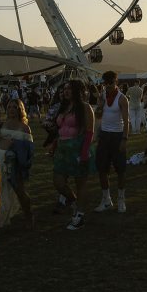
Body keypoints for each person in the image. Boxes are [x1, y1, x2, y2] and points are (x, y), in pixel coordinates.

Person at [54, 79, 96, 230]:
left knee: (80, 183)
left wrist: (84, 153)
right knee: (58, 182)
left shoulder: (85, 107)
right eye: (65, 88)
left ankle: (79, 215)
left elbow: (90, 132)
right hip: (62, 149)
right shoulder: (64, 107)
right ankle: (74, 202)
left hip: (78, 148)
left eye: (69, 89)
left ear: (77, 91)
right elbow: (59, 129)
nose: (66, 91)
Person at [0, 99, 34, 230]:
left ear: (20, 109)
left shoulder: (25, 128)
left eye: (14, 107)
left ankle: (29, 216)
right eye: (9, 107)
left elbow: (29, 150)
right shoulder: (2, 124)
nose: (11, 109)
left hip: (15, 162)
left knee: (20, 190)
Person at [94, 71, 130, 213]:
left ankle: (121, 199)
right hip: (104, 136)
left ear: (116, 82)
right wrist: (100, 105)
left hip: (117, 135)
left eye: (111, 82)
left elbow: (126, 121)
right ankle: (107, 200)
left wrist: (124, 139)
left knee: (120, 170)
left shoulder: (122, 99)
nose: (108, 85)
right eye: (106, 83)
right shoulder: (102, 96)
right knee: (102, 169)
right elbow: (98, 115)